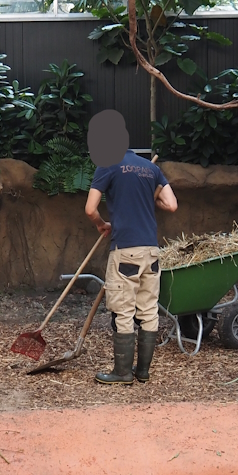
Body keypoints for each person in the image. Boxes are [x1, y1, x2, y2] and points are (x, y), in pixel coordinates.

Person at [84, 110, 177, 384]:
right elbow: (171, 204)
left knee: (123, 311)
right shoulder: (151, 168)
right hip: (151, 251)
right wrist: (152, 200)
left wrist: (102, 223)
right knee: (148, 310)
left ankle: (122, 372)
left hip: (125, 250)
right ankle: (143, 372)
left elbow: (90, 209)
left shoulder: (107, 166)